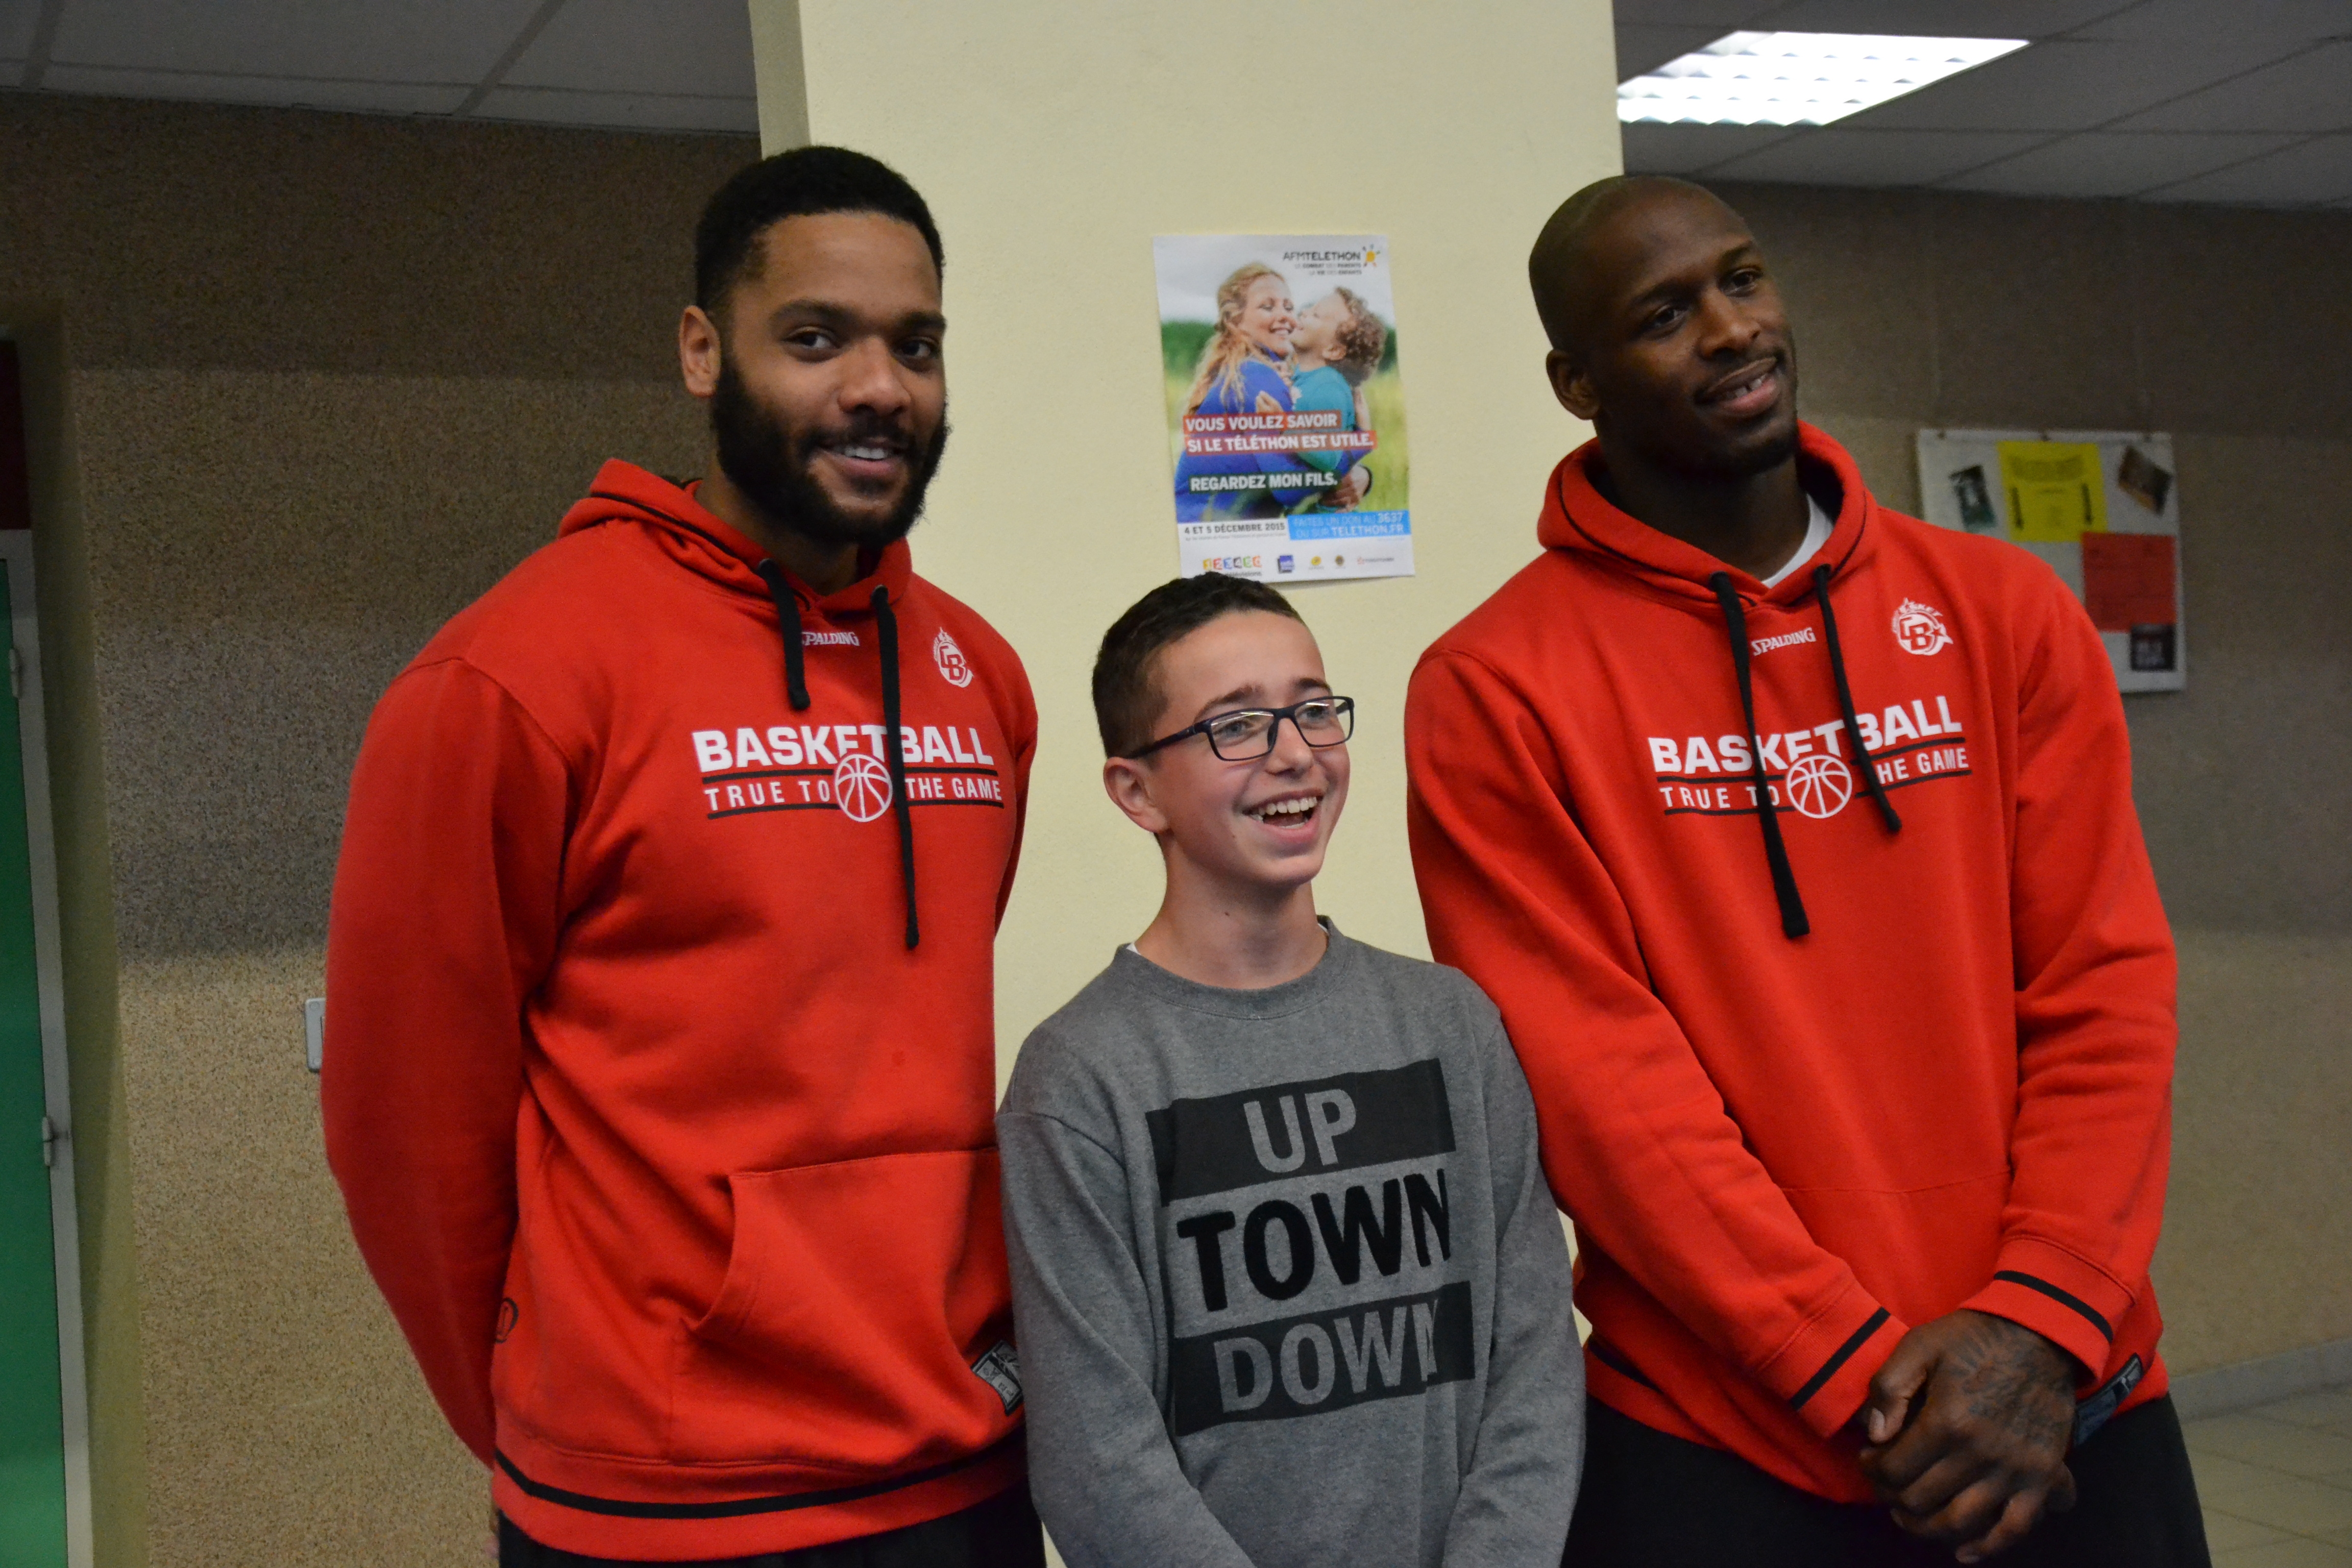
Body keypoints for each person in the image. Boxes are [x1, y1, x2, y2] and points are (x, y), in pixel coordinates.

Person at [1403, 174, 2206, 1567]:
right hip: (1735, 1444)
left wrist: (2039, 1322)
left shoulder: (2004, 612)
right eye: (1666, 315)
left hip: (2068, 1400)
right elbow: (1604, 1095)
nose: (1730, 329)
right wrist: (1856, 1373)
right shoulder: (1495, 690)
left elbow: (2104, 992)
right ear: (1575, 382)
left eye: (1743, 278)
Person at [323, 146, 1045, 1566]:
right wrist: (549, 1405)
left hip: (959, 1458)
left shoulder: (979, 678)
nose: (877, 389)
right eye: (816, 338)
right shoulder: (511, 677)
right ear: (705, 354)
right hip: (657, 1498)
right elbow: (405, 1114)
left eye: (917, 344)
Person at [998, 573, 1583, 1568]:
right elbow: (1097, 1455)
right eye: (1235, 726)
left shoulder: (1452, 1025)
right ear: (1138, 791)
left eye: (1314, 709)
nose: (1294, 752)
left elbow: (1532, 1357)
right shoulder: (1080, 1078)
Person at [1172, 265, 1362, 520]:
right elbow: (1291, 490)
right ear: (1235, 321)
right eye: (1268, 306)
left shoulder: (1250, 372)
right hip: (1210, 534)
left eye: (1288, 306)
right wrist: (1358, 459)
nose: (1285, 317)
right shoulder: (1256, 377)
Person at [1283, 288, 1385, 514]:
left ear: (1334, 350)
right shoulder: (1302, 378)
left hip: (1323, 520)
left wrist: (1283, 425)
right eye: (1310, 308)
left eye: (1316, 315)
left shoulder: (1328, 387)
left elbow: (1330, 458)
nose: (1304, 312)